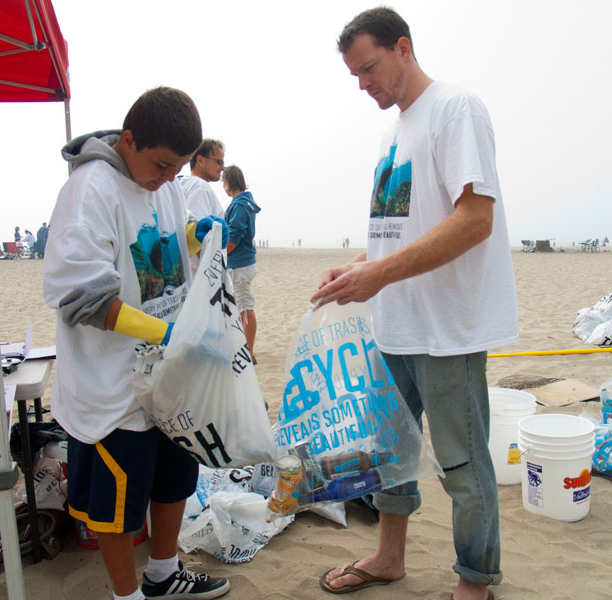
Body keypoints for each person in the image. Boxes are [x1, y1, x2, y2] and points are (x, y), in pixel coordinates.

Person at [312, 8, 518, 600]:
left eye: (369, 67)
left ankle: (474, 581)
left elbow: (475, 219)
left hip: (445, 328)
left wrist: (379, 274)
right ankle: (389, 557)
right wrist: (357, 268)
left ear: (404, 47)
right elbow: (399, 231)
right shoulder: (391, 133)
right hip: (393, 324)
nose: (363, 84)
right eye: (353, 75)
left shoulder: (456, 110)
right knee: (391, 453)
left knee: (462, 463)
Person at [43, 86, 230, 600]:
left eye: (180, 167)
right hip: (114, 385)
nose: (170, 177)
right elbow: (82, 299)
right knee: (117, 502)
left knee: (174, 478)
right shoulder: (89, 192)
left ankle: (164, 573)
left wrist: (195, 236)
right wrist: (166, 332)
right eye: (164, 164)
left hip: (170, 379)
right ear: (128, 141)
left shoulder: (164, 182)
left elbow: (160, 246)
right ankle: (126, 595)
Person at [221, 165, 261, 364]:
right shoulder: (244, 202)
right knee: (240, 306)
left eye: (223, 182)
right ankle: (245, 349)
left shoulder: (240, 205)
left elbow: (234, 236)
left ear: (229, 182)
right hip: (243, 262)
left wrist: (220, 253)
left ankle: (248, 353)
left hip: (240, 264)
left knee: (245, 307)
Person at [179, 138, 225, 275]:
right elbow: (202, 238)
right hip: (199, 277)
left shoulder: (180, 184)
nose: (222, 167)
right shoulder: (200, 188)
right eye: (219, 162)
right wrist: (215, 279)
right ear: (200, 161)